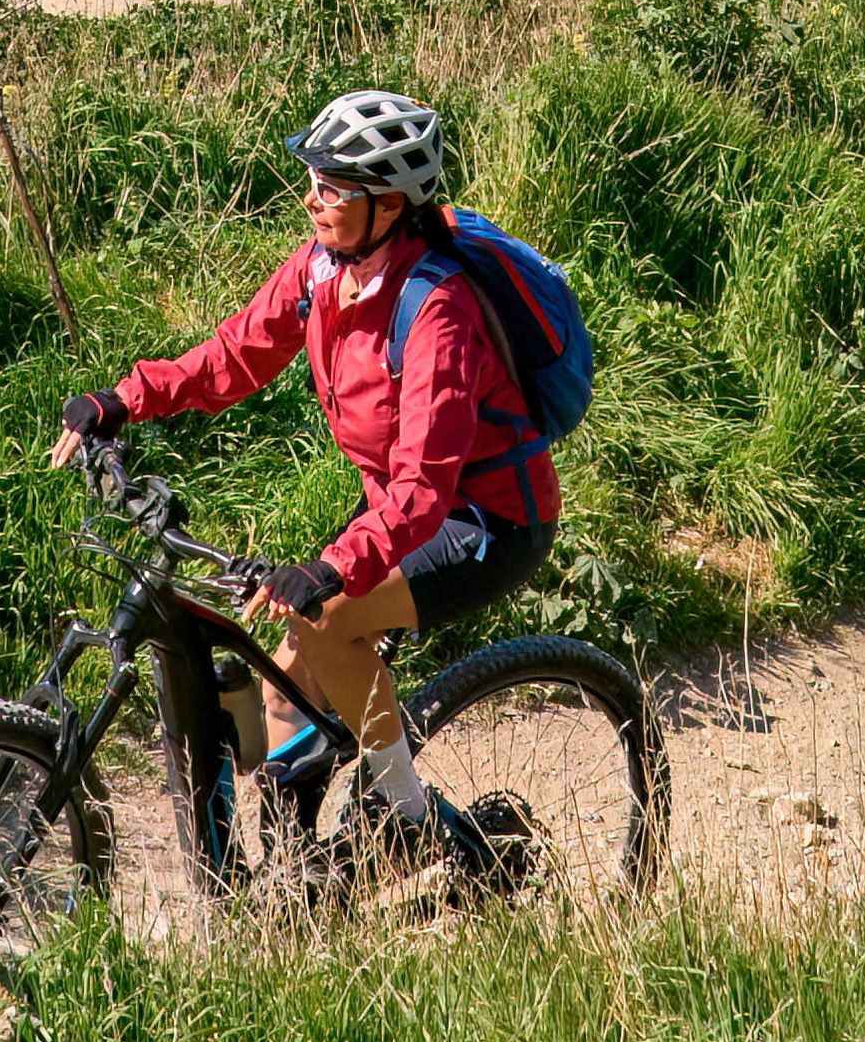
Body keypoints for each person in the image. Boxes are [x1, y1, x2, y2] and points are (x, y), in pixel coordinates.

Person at [49, 89, 557, 853]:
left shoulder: (437, 311)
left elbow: (425, 485)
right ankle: (300, 874)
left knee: (320, 617)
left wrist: (332, 566)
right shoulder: (322, 270)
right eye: (313, 179)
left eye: (333, 188)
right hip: (399, 512)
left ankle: (409, 819)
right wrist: (124, 399)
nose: (312, 199)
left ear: (389, 206)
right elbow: (233, 357)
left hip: (485, 521)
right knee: (285, 695)